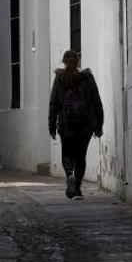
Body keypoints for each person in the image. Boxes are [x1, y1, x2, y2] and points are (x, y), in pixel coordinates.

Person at [48, 50, 104, 199]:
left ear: (64, 61)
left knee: (67, 153)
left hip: (66, 126)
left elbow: (54, 104)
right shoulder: (87, 78)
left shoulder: (59, 78)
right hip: (85, 125)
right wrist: (99, 124)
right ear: (78, 62)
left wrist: (52, 126)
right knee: (81, 156)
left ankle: (69, 175)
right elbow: (96, 102)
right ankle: (77, 188)